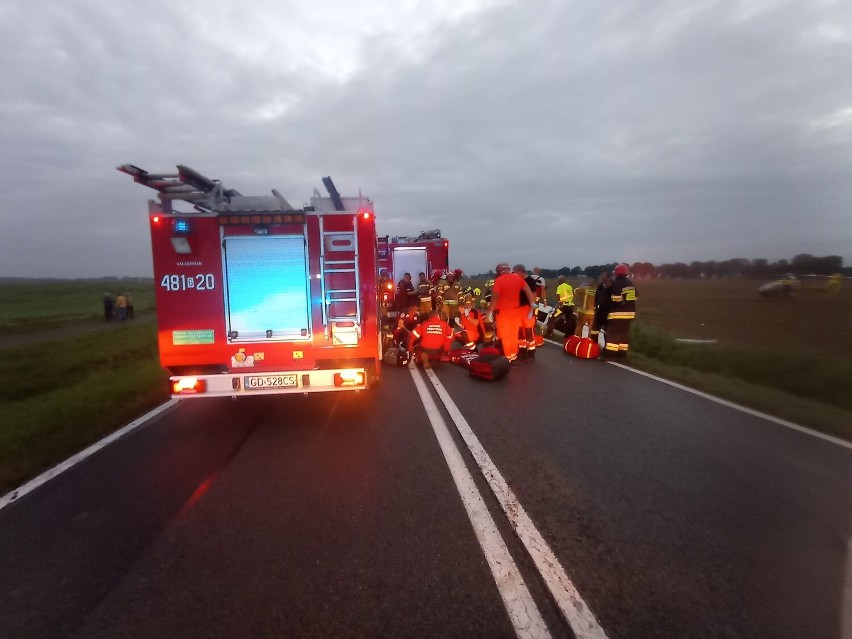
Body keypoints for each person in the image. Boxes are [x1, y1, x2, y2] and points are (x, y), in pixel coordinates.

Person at [487, 263, 535, 363]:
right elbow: (528, 290)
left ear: (499, 271)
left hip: (503, 313)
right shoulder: (518, 279)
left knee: (505, 336)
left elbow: (495, 297)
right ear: (508, 269)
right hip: (516, 311)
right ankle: (513, 356)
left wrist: (490, 312)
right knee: (513, 335)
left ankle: (508, 358)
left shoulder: (499, 280)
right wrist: (532, 303)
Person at [603, 264, 637, 358]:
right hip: (630, 314)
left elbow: (616, 298)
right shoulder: (630, 284)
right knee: (624, 334)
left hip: (618, 314)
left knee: (613, 334)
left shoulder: (618, 284)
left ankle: (609, 355)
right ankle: (621, 355)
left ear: (617, 273)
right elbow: (635, 296)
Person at [515, 264, 538, 359]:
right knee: (519, 330)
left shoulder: (530, 281)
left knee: (528, 330)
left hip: (528, 308)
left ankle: (531, 349)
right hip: (518, 308)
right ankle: (522, 348)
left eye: (515, 272)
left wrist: (531, 309)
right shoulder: (517, 281)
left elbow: (534, 295)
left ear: (520, 271)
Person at [589, 271, 613, 346]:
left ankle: (606, 349)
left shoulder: (614, 286)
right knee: (594, 330)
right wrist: (596, 307)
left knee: (607, 332)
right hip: (599, 312)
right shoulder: (600, 286)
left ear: (609, 278)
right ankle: (593, 346)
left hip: (608, 313)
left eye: (604, 277)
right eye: (602, 277)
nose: (602, 278)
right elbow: (596, 297)